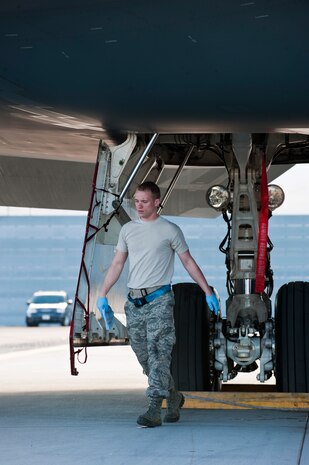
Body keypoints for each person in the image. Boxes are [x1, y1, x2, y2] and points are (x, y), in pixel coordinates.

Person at [96, 181, 219, 427]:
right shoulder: (128, 230)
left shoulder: (170, 230)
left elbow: (188, 262)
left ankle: (154, 408)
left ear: (156, 202)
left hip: (160, 300)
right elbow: (118, 264)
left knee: (159, 354)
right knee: (143, 355)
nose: (139, 206)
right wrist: (102, 294)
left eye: (144, 201)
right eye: (136, 201)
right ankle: (173, 396)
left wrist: (207, 291)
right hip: (134, 302)